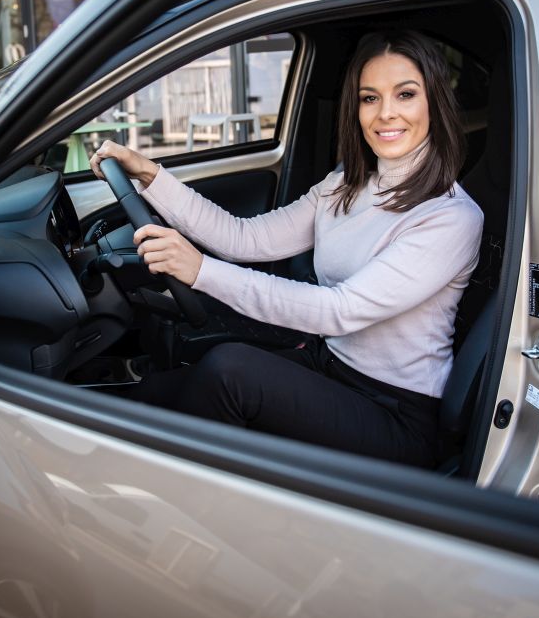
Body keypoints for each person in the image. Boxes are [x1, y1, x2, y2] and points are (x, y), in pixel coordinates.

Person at [90, 31, 483, 467]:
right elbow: (243, 238)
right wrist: (149, 174)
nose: (385, 112)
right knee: (155, 393)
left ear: (434, 103)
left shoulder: (450, 217)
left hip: (396, 412)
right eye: (369, 98)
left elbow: (338, 310)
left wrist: (201, 270)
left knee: (229, 371)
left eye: (405, 94)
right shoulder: (344, 185)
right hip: (331, 365)